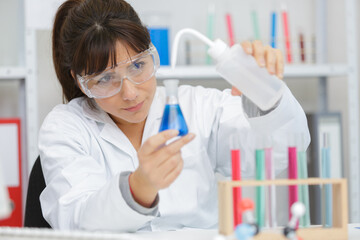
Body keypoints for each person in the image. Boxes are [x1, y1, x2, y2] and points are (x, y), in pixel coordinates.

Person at [39, 0, 310, 232]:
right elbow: (75, 219)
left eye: (137, 65)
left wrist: (265, 90)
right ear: (80, 80)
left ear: (151, 53)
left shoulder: (199, 105)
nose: (130, 92)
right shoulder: (66, 127)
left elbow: (285, 151)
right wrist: (139, 187)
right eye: (105, 79)